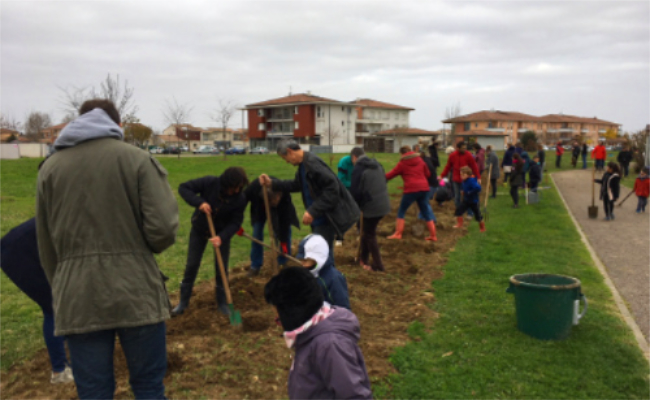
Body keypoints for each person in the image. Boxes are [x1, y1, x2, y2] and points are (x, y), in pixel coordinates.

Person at [36, 99, 179, 399]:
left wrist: (64, 282)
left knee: (94, 391)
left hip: (78, 294)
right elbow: (163, 229)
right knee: (149, 386)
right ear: (118, 126)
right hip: (136, 290)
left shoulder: (50, 168)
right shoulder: (137, 160)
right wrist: (138, 253)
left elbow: (46, 243)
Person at [264, 267, 372, 399]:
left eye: (279, 319)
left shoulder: (329, 345)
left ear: (292, 314)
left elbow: (354, 396)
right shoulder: (310, 333)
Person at [261, 140, 360, 262]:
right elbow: (296, 184)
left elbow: (333, 189)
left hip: (325, 218)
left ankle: (328, 280)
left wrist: (313, 211)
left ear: (290, 152)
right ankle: (326, 279)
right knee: (322, 253)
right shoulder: (304, 165)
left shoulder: (312, 164)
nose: (286, 162)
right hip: (318, 218)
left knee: (322, 255)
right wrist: (272, 183)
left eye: (285, 158)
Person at [1, 218, 73, 384]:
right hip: (18, 254)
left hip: (28, 248)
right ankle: (59, 371)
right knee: (54, 307)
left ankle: (67, 346)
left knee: (59, 302)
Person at [175, 167, 249, 316]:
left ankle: (223, 304)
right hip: (200, 230)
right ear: (226, 184)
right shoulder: (210, 183)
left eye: (239, 188)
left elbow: (236, 222)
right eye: (233, 188)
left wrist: (222, 237)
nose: (236, 191)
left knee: (221, 268)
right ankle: (183, 303)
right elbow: (184, 188)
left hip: (222, 235)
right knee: (192, 264)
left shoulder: (240, 199)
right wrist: (199, 203)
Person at [243, 177, 299, 277]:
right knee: (257, 234)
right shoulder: (254, 187)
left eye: (278, 199)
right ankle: (255, 266)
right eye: (273, 201)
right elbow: (241, 202)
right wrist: (236, 224)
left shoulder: (283, 193)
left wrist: (284, 243)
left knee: (284, 233)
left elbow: (285, 221)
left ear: (279, 195)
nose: (276, 201)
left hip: (280, 213)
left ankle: (283, 262)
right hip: (258, 210)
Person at [350, 147, 391, 272]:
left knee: (369, 234)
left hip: (371, 206)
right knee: (366, 231)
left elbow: (355, 192)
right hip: (383, 204)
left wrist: (357, 207)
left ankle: (379, 265)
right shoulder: (377, 165)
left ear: (354, 157)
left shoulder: (358, 168)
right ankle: (363, 259)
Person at [385, 145, 437, 241]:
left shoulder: (402, 163)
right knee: (425, 211)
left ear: (402, 153)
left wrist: (380, 177)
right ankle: (433, 235)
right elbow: (428, 174)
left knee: (402, 211)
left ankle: (398, 233)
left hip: (411, 190)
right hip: (424, 189)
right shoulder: (420, 160)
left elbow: (391, 174)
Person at [295, 234, 350, 309]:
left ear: (318, 258)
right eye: (302, 260)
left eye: (306, 260)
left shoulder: (334, 279)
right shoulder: (308, 274)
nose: (303, 264)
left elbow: (343, 308)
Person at [439, 141, 480, 208]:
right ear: (458, 148)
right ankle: (459, 211)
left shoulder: (468, 155)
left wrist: (478, 177)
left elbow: (474, 166)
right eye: (463, 148)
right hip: (456, 179)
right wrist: (442, 175)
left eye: (465, 148)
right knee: (457, 196)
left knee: (467, 195)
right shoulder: (452, 156)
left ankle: (470, 212)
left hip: (466, 179)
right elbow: (448, 167)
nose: (465, 149)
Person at [453, 166, 485, 232]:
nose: (461, 176)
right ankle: (459, 224)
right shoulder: (464, 181)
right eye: (461, 174)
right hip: (466, 200)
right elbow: (463, 187)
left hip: (473, 201)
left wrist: (469, 192)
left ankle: (482, 228)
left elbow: (478, 188)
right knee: (459, 210)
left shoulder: (471, 181)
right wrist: (463, 191)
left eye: (463, 175)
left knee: (478, 215)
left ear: (468, 174)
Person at [418, 149, 439, 223]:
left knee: (425, 202)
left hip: (431, 185)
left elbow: (425, 175)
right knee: (424, 202)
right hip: (434, 184)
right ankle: (421, 218)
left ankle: (432, 219)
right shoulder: (427, 159)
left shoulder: (423, 163)